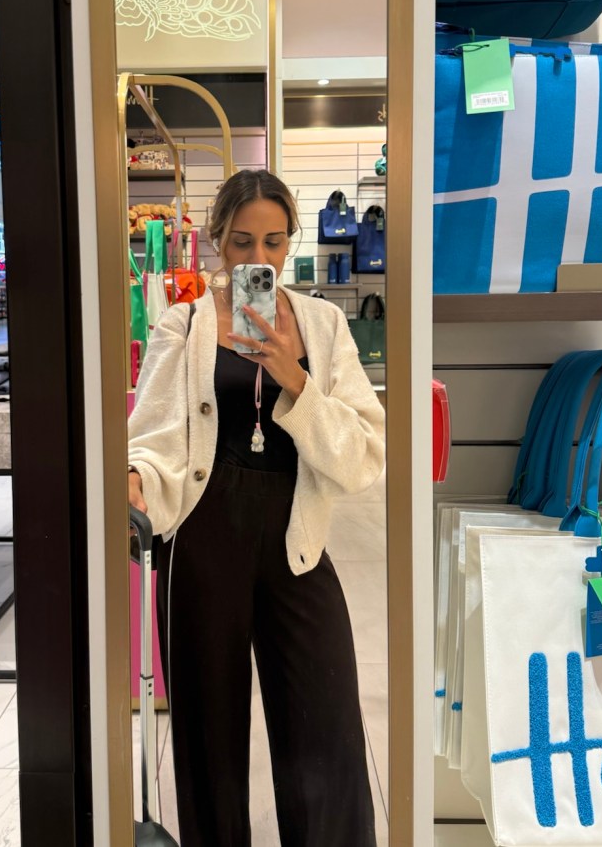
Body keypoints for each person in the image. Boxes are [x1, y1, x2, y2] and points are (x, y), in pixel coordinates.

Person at [128, 169, 385, 846]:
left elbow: (364, 453)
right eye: (242, 242)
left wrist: (294, 379)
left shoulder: (324, 325)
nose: (258, 258)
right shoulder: (182, 323)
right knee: (207, 730)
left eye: (273, 241)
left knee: (325, 723)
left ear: (290, 241)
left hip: (295, 537)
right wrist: (135, 479)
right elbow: (153, 436)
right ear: (218, 241)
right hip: (201, 533)